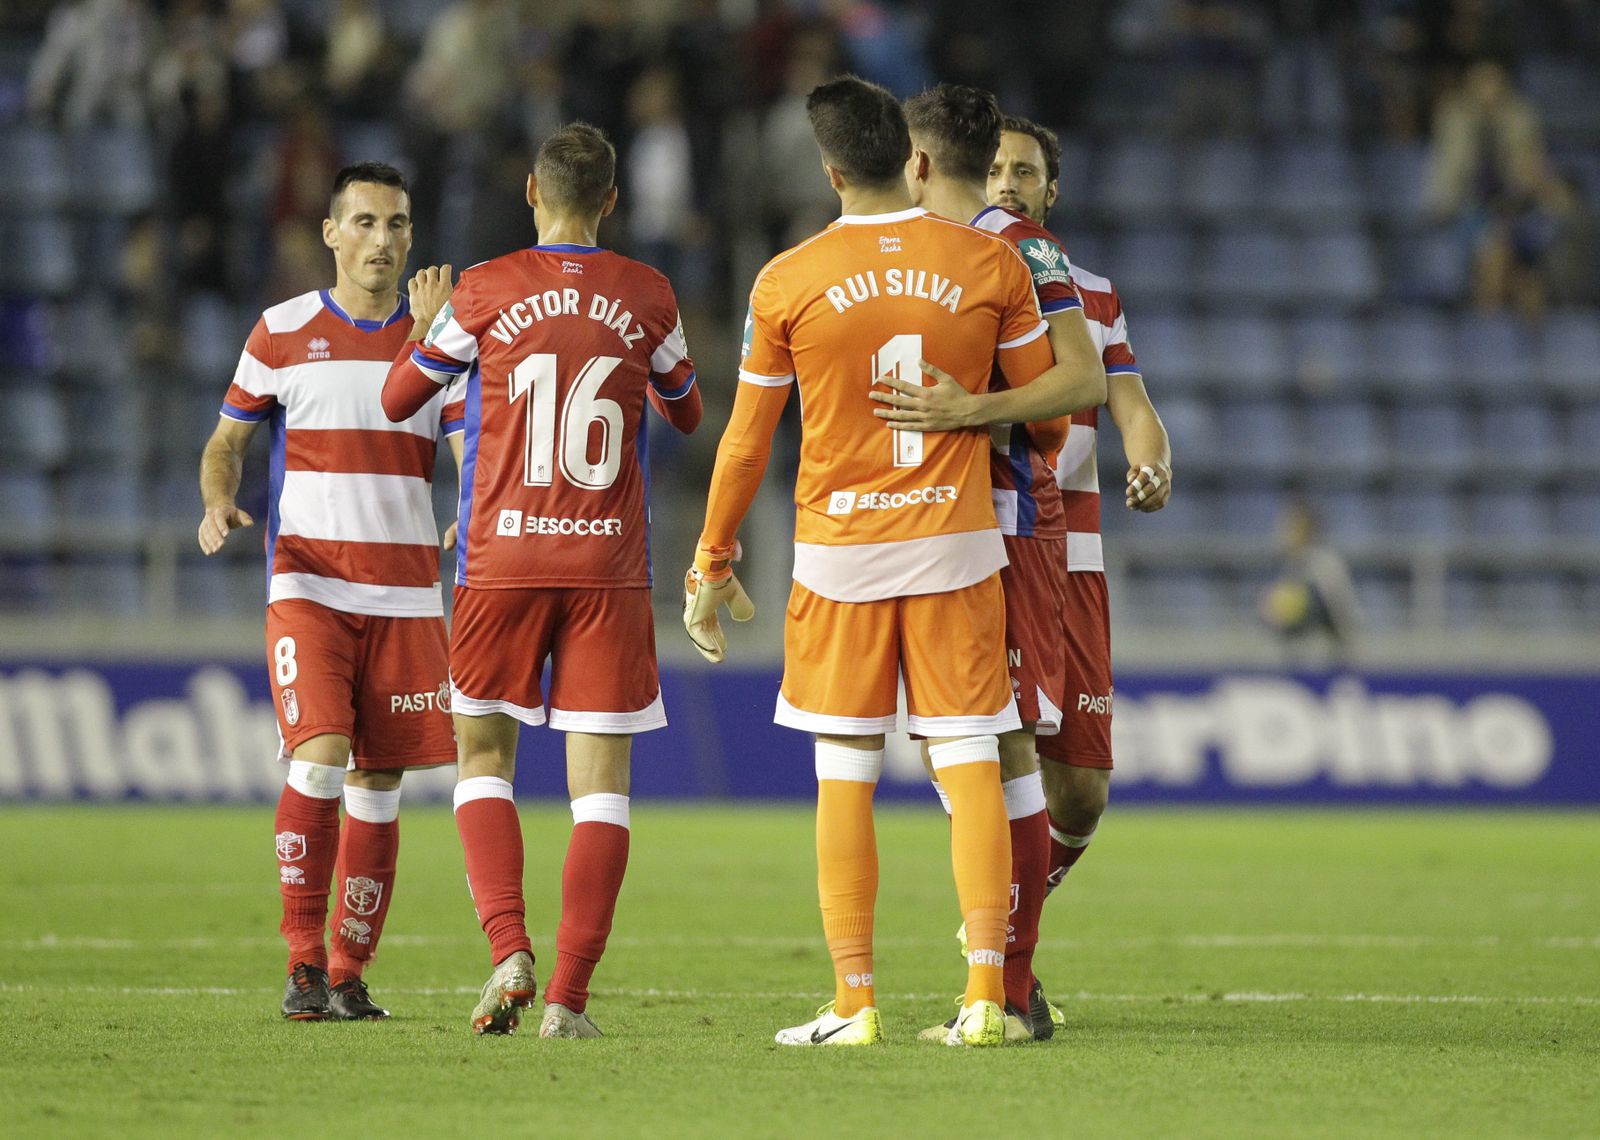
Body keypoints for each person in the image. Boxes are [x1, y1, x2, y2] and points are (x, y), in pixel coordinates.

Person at [683, 75, 1102, 1049]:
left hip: (840, 557)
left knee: (845, 771)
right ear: (908, 162)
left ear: (830, 170)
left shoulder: (787, 276)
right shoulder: (984, 261)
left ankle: (854, 1002)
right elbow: (1048, 416)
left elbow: (746, 441)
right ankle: (985, 998)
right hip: (958, 546)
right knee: (971, 766)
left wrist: (710, 559)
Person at [382, 122, 703, 1038]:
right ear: (611, 199)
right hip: (607, 568)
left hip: (501, 558)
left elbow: (401, 398)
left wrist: (427, 328)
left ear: (530, 191)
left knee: (481, 759)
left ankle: (508, 951)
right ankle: (568, 1001)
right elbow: (687, 413)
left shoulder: (482, 289)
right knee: (602, 789)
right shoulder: (648, 293)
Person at [198, 161, 464, 1021]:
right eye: (364, 222)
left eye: (397, 224)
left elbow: (474, 449)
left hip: (405, 597)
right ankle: (303, 963)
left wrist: (481, 513)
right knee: (318, 761)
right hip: (309, 586)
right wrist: (216, 500)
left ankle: (350, 973)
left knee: (379, 786)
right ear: (330, 233)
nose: (381, 239)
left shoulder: (443, 339)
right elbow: (226, 442)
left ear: (412, 237)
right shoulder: (280, 331)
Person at [896, 84, 1106, 1043]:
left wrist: (968, 415)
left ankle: (1010, 991)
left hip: (1013, 521)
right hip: (942, 524)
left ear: (922, 158)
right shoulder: (931, 250)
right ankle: (1007, 979)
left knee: (1008, 746)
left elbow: (1082, 381)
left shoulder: (1022, 249)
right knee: (971, 749)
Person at [990, 115, 1174, 1025]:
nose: (1008, 182)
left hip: (1078, 556)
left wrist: (1152, 460)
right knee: (1000, 752)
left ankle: (996, 922)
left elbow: (1134, 406)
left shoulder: (1093, 294)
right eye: (993, 168)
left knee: (1084, 793)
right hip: (991, 545)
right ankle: (999, 951)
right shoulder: (960, 277)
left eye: (1024, 171)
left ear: (1051, 191)